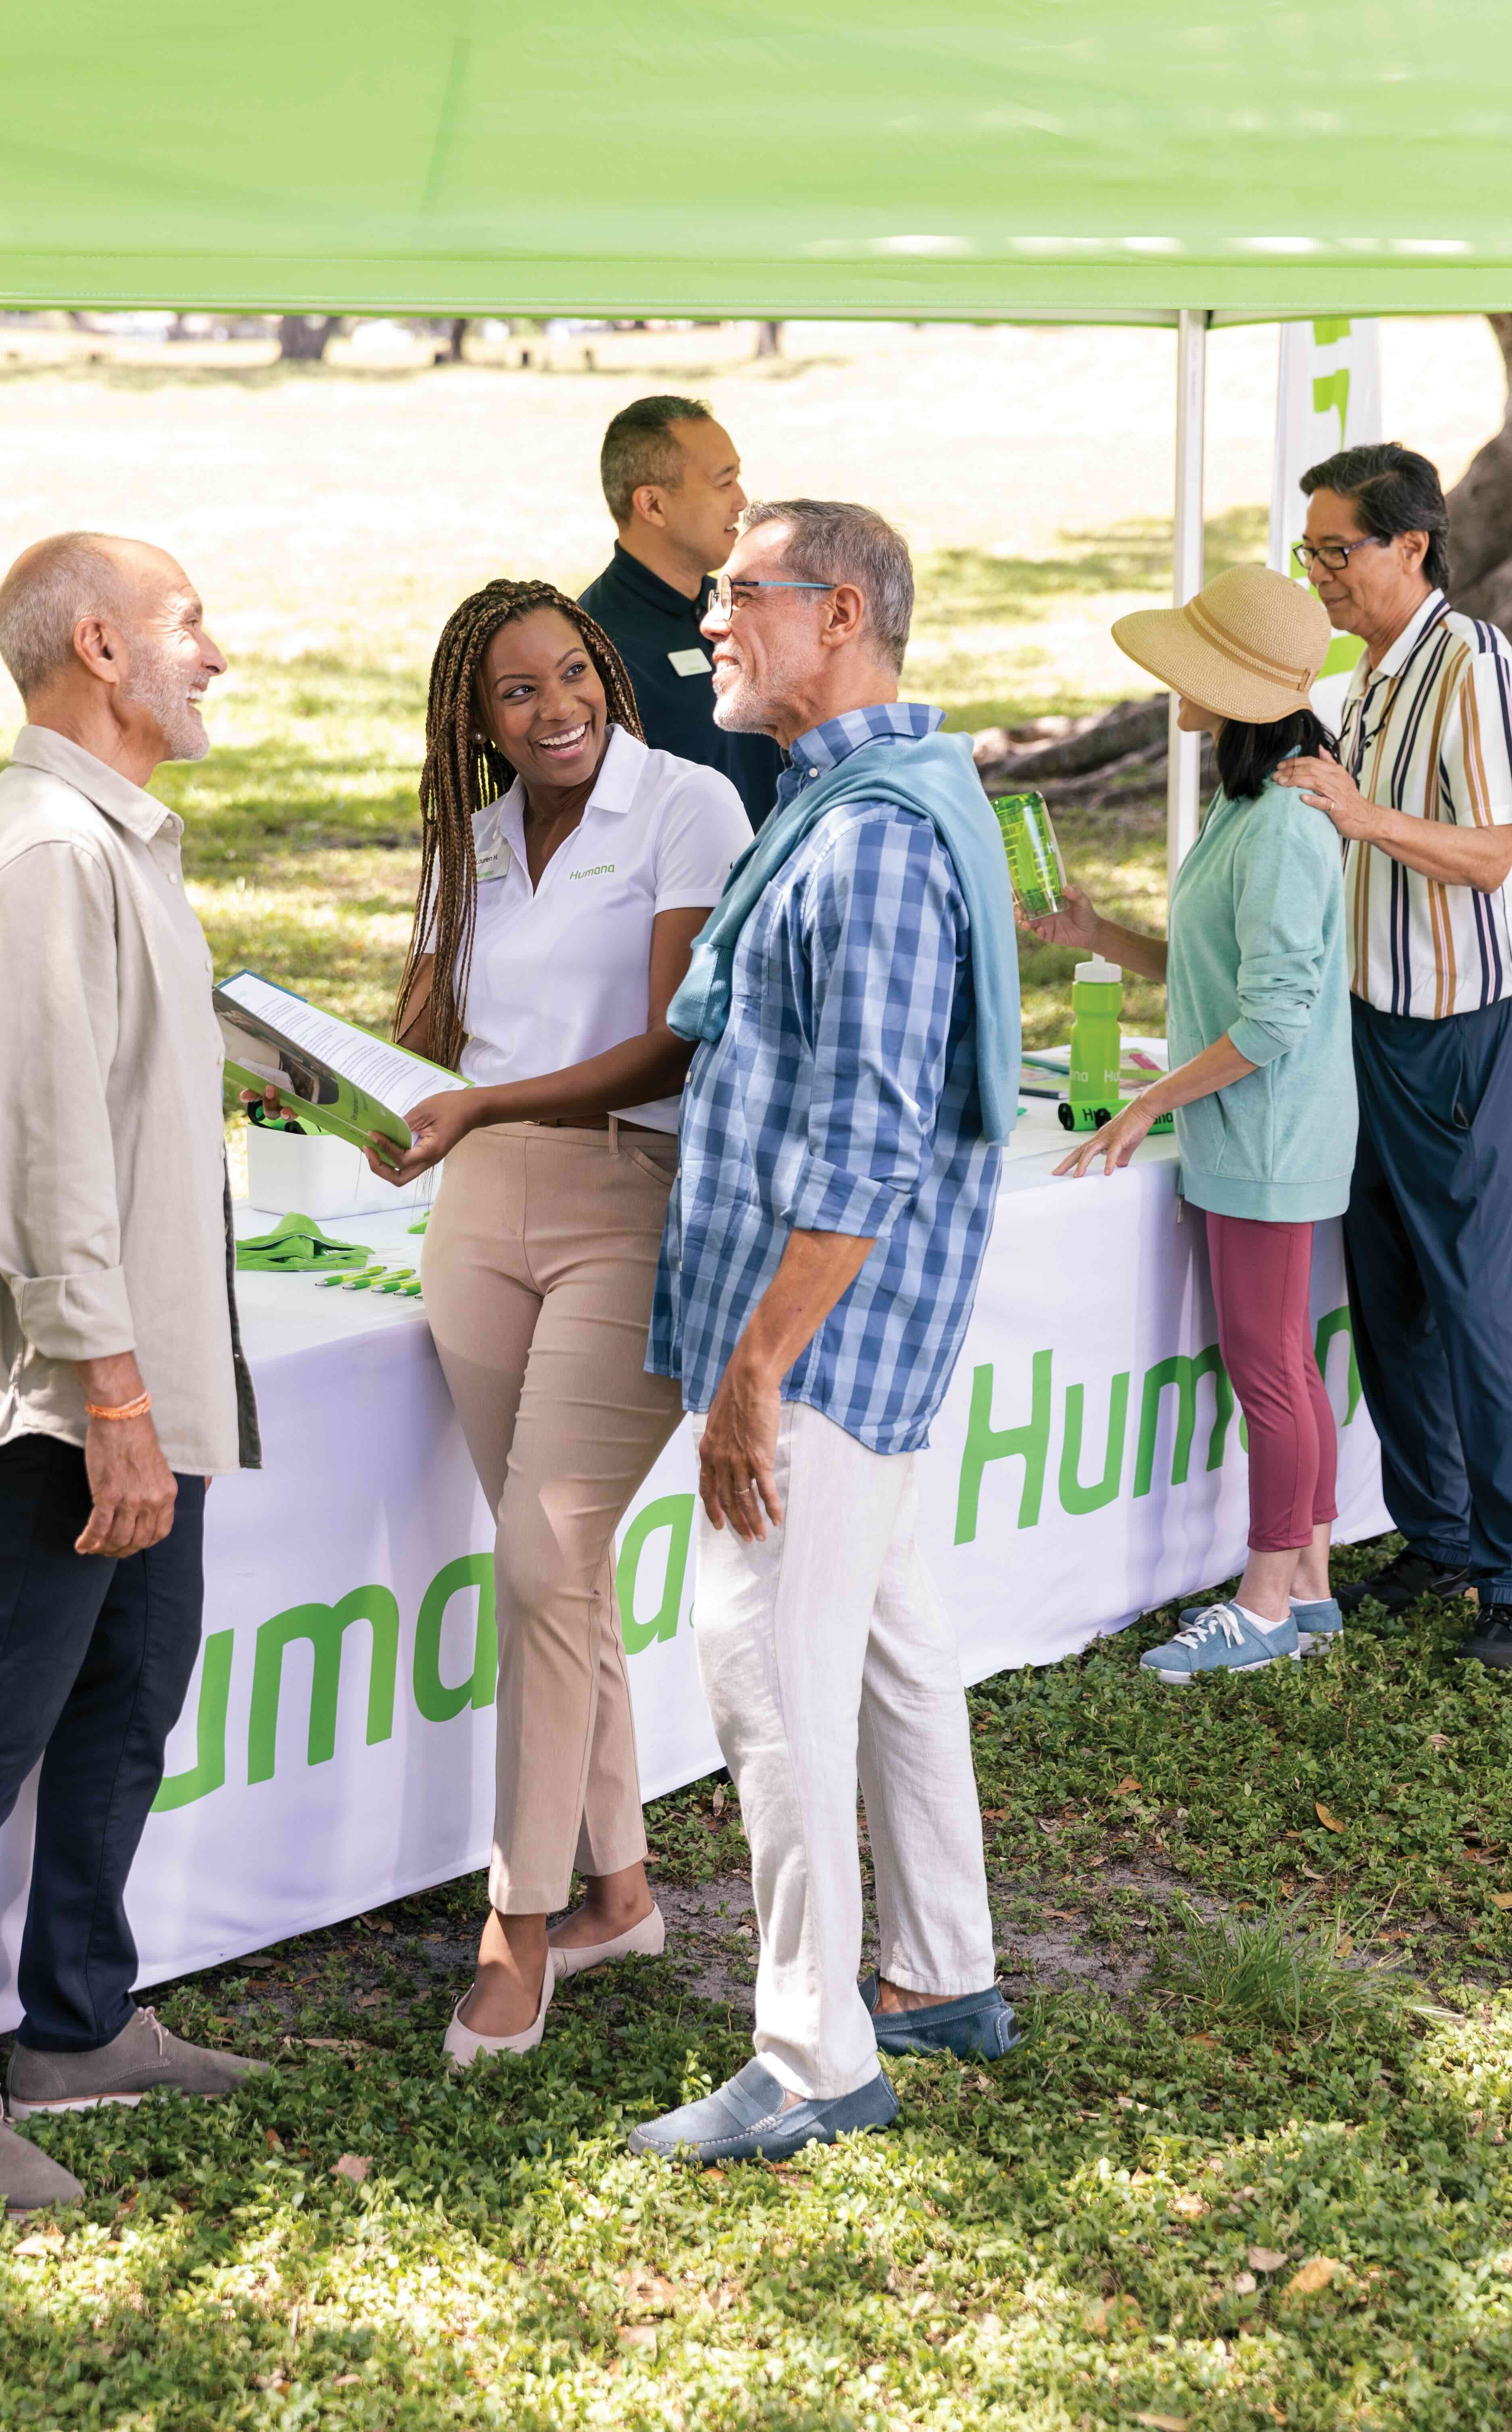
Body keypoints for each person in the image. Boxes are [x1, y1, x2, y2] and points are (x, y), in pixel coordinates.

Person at [0, 534, 264, 2212]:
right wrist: (107, 1394)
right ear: (99, 646)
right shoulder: (40, 850)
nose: (215, 654)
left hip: (142, 1373)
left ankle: (79, 2028)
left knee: (125, 1700)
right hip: (67, 1387)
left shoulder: (118, 844)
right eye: (188, 625)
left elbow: (126, 1091)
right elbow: (39, 1153)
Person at [625, 499, 1023, 2168]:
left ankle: (812, 2058)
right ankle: (940, 1976)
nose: (705, 625)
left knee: (769, 1677)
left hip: (826, 1344)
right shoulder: (869, 800)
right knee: (886, 1640)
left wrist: (756, 1367)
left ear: (836, 613)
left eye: (736, 598)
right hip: (857, 1329)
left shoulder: (864, 843)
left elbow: (865, 1148)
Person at [368, 577, 751, 2065]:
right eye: (517, 689)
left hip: (630, 1196)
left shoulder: (685, 806)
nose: (558, 703)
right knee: (556, 1565)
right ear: (474, 717)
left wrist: (476, 1102)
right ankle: (626, 1889)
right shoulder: (463, 847)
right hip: (477, 1214)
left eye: (574, 669)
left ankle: (518, 1921)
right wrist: (318, 1075)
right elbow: (424, 1027)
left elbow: (668, 1039)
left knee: (541, 1547)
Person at [1039, 566, 1358, 1678]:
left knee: (1269, 1371)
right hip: (1258, 1133)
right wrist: (1100, 934)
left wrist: (1149, 1101)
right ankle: (1309, 1583)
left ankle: (1264, 1602)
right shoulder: (1250, 806)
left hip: (1267, 1138)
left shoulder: (1280, 827)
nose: (1172, 683)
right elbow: (1225, 979)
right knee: (1287, 1368)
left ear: (1227, 690)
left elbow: (1272, 1021)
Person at [1274, 443, 1512, 1674]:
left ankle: (1509, 1574)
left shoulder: (1463, 660)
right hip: (1360, 1026)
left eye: (1333, 549)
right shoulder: (1365, 673)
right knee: (1390, 1300)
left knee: (1474, 1305)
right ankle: (1434, 1535)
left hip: (1450, 1028)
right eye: (1305, 549)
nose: (1314, 571)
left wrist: (1359, 812)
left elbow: (1490, 851)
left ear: (1407, 547)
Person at [580, 394, 783, 827]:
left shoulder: (753, 608)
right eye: (723, 482)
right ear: (652, 505)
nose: (742, 500)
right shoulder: (589, 649)